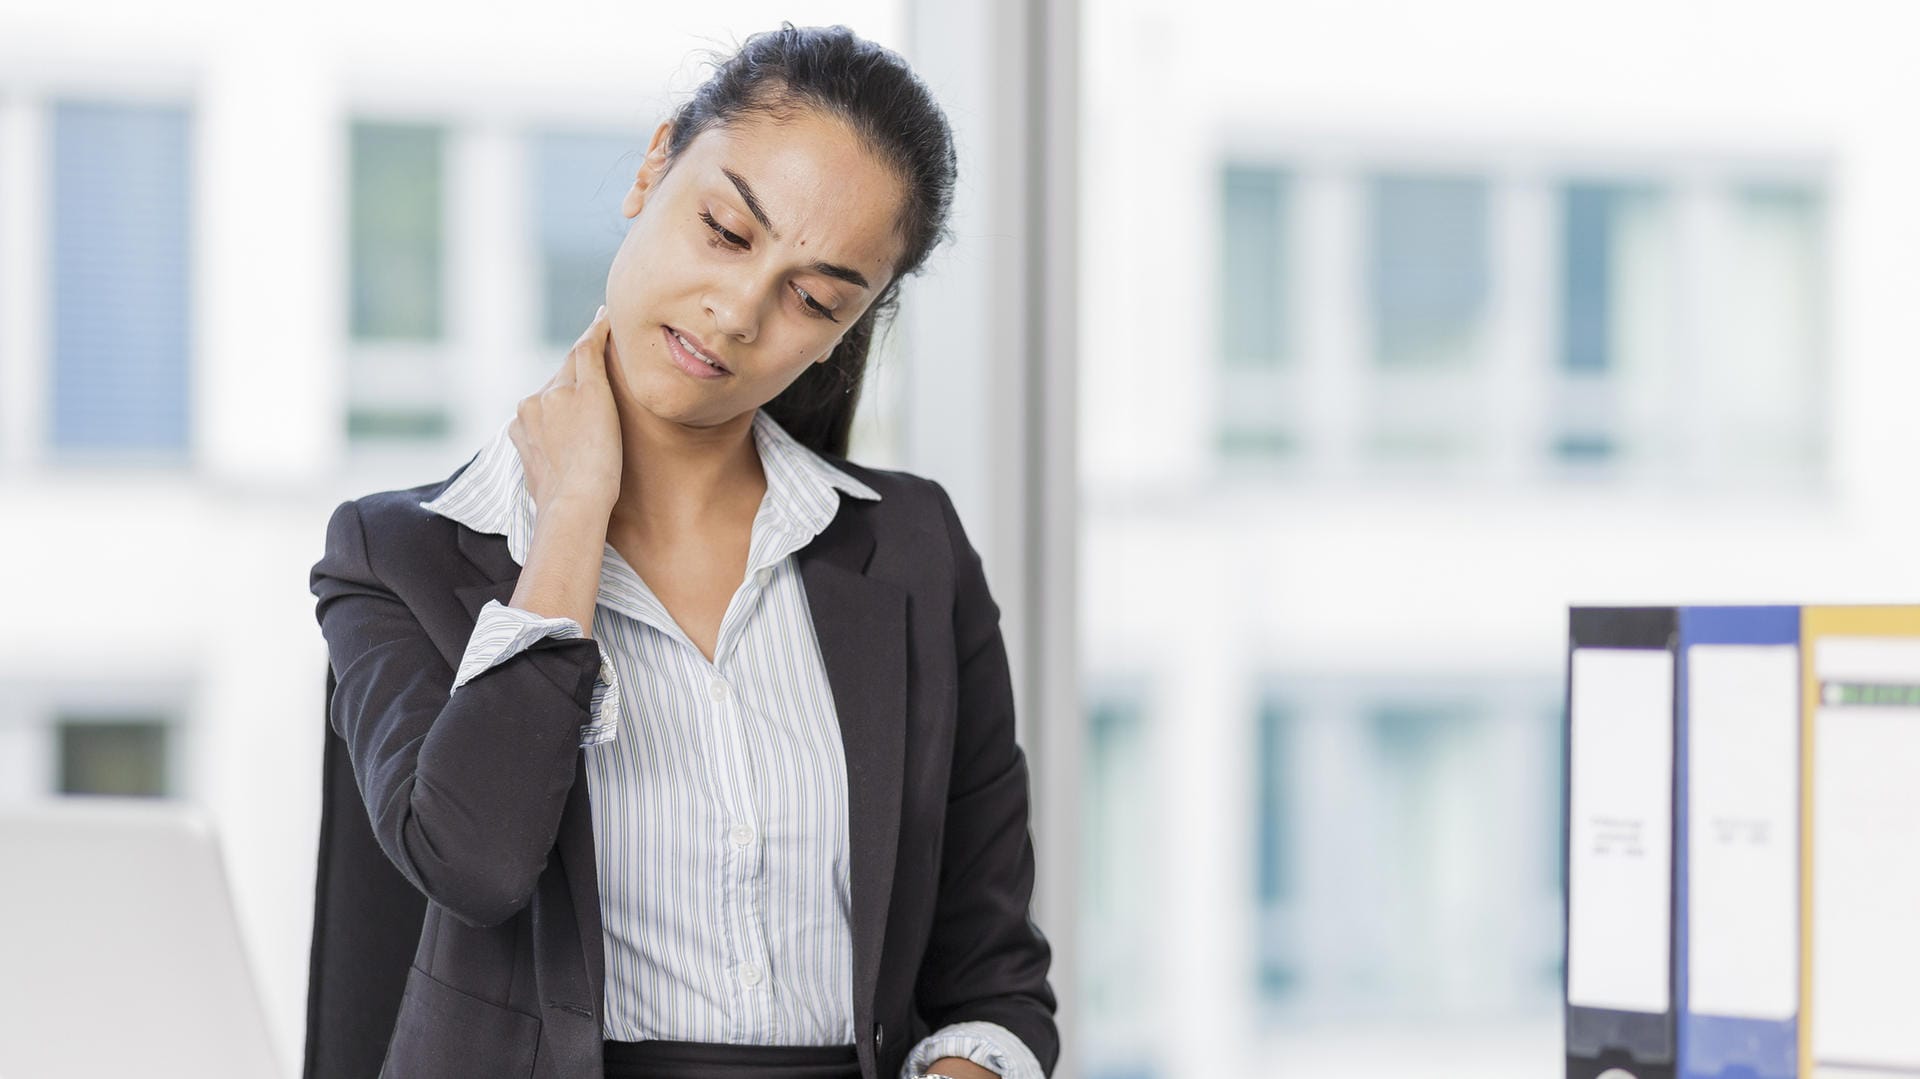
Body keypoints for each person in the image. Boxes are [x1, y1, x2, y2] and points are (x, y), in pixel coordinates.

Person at [306, 22, 1057, 1079]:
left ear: (852, 327)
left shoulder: (914, 552)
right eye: (726, 230)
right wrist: (572, 515)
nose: (740, 311)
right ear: (655, 164)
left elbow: (992, 981)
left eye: (815, 297)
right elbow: (472, 860)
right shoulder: (398, 556)